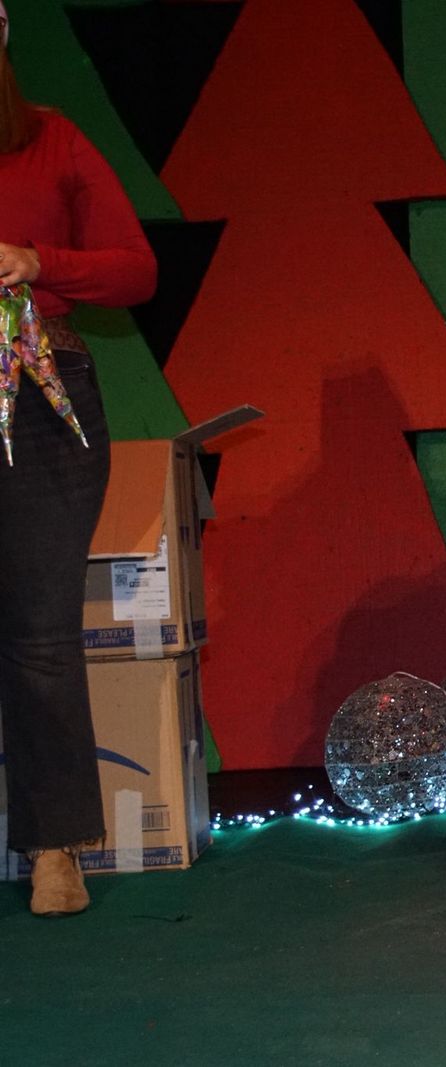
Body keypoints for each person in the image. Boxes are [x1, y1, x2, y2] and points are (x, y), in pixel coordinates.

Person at [0, 1, 158, 916]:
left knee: (39, 631)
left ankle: (56, 846)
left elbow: (135, 269)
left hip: (41, 393)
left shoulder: (51, 141)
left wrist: (36, 258)